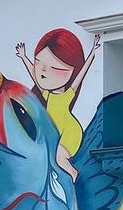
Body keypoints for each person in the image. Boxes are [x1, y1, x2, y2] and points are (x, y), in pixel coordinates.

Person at [15, 29, 101, 181]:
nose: (43, 70)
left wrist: (93, 52)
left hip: (69, 132)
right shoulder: (47, 94)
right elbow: (35, 76)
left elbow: (81, 75)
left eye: (54, 68)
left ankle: (72, 174)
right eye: (38, 61)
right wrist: (23, 57)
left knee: (58, 156)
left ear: (71, 70)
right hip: (55, 133)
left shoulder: (67, 95)